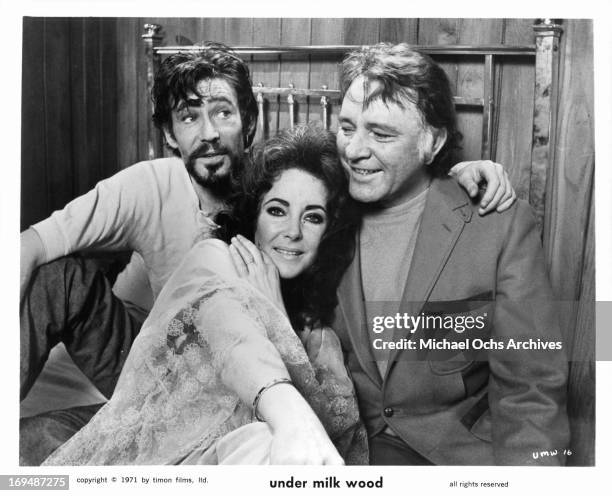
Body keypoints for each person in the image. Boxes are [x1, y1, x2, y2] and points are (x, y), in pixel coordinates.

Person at [20, 43, 514, 465]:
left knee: (43, 439)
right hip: (159, 358)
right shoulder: (198, 234)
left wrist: (452, 174)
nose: (209, 132)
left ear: (249, 121)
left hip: (225, 409)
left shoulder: (303, 193)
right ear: (169, 134)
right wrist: (286, 407)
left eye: (223, 113)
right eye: (189, 117)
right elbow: (222, 318)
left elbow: (392, 186)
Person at [43, 125, 367, 465]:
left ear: (328, 231)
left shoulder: (319, 336)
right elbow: (234, 337)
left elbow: (338, 441)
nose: (292, 232)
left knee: (262, 442)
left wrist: (278, 315)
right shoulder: (213, 260)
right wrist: (289, 415)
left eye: (312, 218)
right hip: (157, 462)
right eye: (276, 210)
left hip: (225, 465)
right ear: (253, 216)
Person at [331, 43, 569, 466]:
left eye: (381, 134)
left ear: (432, 141)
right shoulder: (317, 208)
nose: (353, 150)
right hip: (343, 451)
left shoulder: (498, 224)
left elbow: (530, 388)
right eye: (347, 127)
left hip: (451, 459)